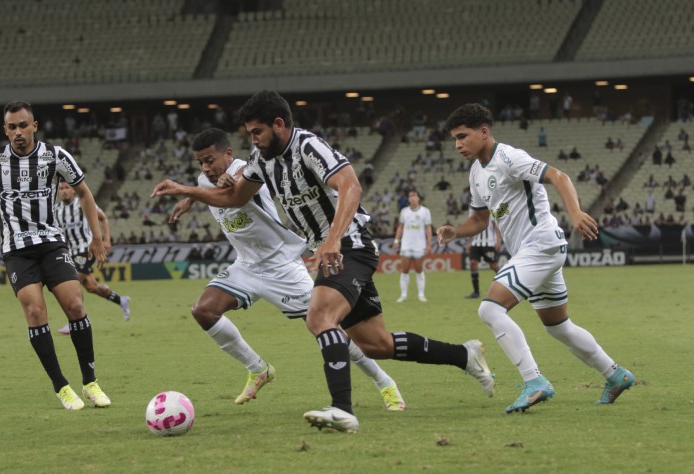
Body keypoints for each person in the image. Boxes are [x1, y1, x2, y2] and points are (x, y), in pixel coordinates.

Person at [152, 91, 495, 433]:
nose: (252, 140)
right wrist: (188, 192)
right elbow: (233, 196)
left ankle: (342, 409)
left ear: (279, 124)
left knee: (320, 317)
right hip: (326, 248)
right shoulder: (262, 160)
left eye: (257, 132)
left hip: (350, 243)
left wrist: (332, 240)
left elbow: (350, 185)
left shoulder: (308, 147)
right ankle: (464, 355)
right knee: (376, 344)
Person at [160, 128, 408, 411]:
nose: (206, 168)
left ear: (229, 154)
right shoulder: (206, 178)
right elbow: (206, 185)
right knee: (203, 310)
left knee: (326, 329)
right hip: (247, 266)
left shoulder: (249, 169)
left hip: (283, 267)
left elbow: (235, 189)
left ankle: (384, 381)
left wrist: (194, 190)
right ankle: (258, 369)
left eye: (210, 160)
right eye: (200, 163)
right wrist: (190, 199)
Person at [437, 103, 635, 414]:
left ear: (484, 132)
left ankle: (534, 381)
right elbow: (479, 221)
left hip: (539, 244)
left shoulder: (509, 158)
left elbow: (558, 175)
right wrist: (455, 233)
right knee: (558, 327)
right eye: (455, 139)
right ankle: (615, 374)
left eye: (463, 136)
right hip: (537, 251)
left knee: (490, 309)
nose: (458, 144)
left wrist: (574, 213)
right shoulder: (477, 172)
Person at [0, 101, 110, 411]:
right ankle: (62, 387)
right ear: (5, 130)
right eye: (11, 127)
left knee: (75, 304)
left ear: (34, 126)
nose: (17, 132)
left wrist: (96, 237)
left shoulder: (55, 156)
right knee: (35, 313)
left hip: (52, 243)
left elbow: (84, 192)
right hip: (16, 249)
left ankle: (90, 382)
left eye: (22, 125)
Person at [55, 180, 131, 334]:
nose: (64, 191)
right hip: (70, 252)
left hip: (86, 249)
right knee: (91, 287)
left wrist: (106, 239)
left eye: (67, 188)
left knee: (73, 282)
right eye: (61, 188)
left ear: (73, 190)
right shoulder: (56, 210)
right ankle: (121, 300)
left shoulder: (82, 203)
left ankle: (76, 321)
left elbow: (103, 218)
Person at [392, 189, 432, 303]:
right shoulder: (404, 211)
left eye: (415, 195)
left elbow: (428, 228)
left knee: (419, 269)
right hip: (406, 244)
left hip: (420, 245)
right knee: (405, 269)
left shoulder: (425, 211)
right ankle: (403, 295)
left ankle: (421, 295)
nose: (413, 198)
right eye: (410, 196)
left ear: (418, 198)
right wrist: (396, 241)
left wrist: (429, 244)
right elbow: (400, 227)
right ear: (408, 199)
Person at [464, 213, 502, 299]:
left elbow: (496, 226)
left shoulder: (490, 209)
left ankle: (506, 285)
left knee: (493, 265)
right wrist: (468, 242)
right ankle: (476, 292)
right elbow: (471, 227)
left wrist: (498, 240)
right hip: (475, 243)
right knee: (473, 264)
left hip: (489, 243)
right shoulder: (472, 211)